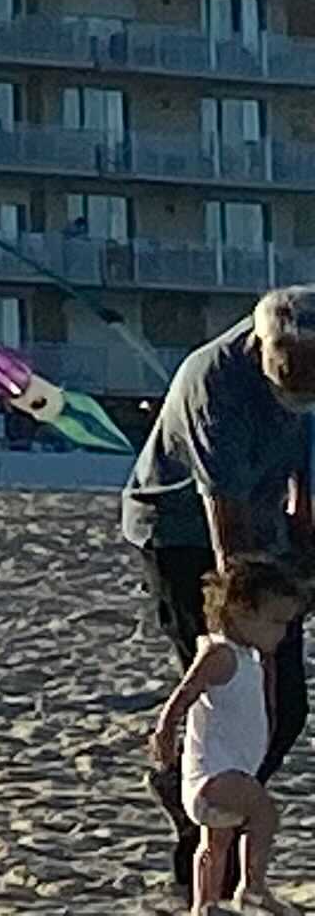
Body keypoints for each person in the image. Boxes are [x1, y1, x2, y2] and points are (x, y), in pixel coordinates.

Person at [129, 289, 315, 896]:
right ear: (260, 349)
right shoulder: (216, 386)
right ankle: (202, 846)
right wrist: (245, 624)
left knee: (285, 711)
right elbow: (227, 539)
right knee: (235, 691)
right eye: (289, 389)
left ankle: (211, 810)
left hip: (266, 524)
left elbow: (305, 487)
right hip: (183, 535)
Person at [156, 557, 310, 912]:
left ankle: (204, 903)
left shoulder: (247, 656)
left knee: (215, 844)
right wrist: (165, 731)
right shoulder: (221, 654)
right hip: (214, 774)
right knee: (264, 814)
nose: (282, 634)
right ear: (241, 612)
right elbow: (184, 693)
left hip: (228, 771)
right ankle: (252, 887)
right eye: (276, 622)